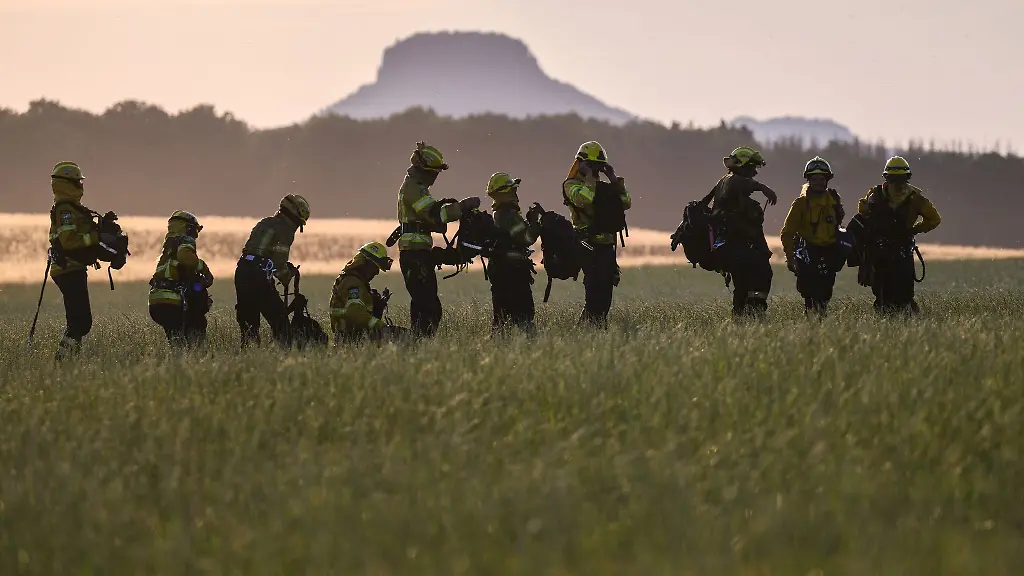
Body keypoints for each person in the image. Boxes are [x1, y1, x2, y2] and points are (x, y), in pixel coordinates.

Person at [855, 156, 941, 314]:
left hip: (901, 250)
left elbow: (935, 219)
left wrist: (914, 230)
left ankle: (905, 321)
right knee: (882, 293)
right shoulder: (875, 195)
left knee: (904, 294)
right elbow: (862, 213)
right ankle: (889, 323)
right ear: (887, 178)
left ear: (907, 178)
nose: (897, 182)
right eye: (893, 178)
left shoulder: (915, 198)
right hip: (880, 252)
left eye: (900, 178)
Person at [395, 141, 464, 337]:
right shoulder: (414, 188)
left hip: (419, 254)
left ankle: (417, 344)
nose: (435, 177)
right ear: (423, 170)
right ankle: (415, 344)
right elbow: (435, 215)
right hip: (414, 255)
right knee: (428, 307)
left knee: (426, 305)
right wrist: (462, 209)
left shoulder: (418, 187)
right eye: (433, 172)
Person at [562, 141, 632, 327]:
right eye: (591, 165)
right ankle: (585, 331)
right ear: (581, 163)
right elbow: (584, 199)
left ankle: (596, 329)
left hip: (607, 246)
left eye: (598, 166)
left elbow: (626, 203)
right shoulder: (571, 185)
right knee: (594, 296)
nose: (596, 170)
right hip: (588, 246)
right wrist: (589, 177)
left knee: (605, 297)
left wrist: (614, 179)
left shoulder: (603, 186)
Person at [709, 146, 779, 318]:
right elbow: (742, 183)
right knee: (761, 275)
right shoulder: (732, 180)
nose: (754, 172)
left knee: (743, 285)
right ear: (741, 166)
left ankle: (741, 318)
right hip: (737, 245)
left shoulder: (723, 182)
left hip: (732, 246)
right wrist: (763, 188)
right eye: (751, 167)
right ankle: (754, 314)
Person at [235, 194, 310, 348]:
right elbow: (279, 262)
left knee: (249, 324)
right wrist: (287, 276)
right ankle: (286, 356)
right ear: (294, 216)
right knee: (280, 322)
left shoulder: (265, 223)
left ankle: (249, 356)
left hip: (242, 272)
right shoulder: (285, 230)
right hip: (259, 277)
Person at [47, 161, 101, 360]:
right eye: (78, 181)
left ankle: (70, 360)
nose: (81, 185)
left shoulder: (69, 207)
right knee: (81, 322)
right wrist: (96, 238)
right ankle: (62, 360)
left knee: (78, 322)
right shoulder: (65, 210)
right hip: (68, 269)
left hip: (73, 268)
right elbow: (69, 242)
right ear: (68, 183)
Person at [780, 157, 846, 316]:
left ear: (827, 180)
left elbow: (839, 225)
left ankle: (819, 320)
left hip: (830, 253)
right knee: (810, 293)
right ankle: (811, 319)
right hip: (808, 253)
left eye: (821, 178)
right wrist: (790, 258)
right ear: (808, 180)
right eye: (814, 179)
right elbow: (787, 233)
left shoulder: (834, 201)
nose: (818, 182)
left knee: (825, 293)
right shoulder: (800, 204)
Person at [148, 211, 215, 348]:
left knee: (177, 344)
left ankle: (177, 364)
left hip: (156, 302)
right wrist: (205, 270)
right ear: (188, 228)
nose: (195, 236)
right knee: (196, 331)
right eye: (195, 231)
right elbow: (185, 256)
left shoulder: (168, 247)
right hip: (174, 301)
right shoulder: (185, 241)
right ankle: (199, 360)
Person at [486, 172, 541, 334]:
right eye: (512, 190)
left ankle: (498, 348)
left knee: (501, 318)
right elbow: (526, 238)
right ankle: (532, 346)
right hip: (514, 272)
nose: (515, 194)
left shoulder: (498, 215)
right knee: (524, 315)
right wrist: (535, 224)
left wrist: (528, 222)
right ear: (504, 193)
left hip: (499, 271)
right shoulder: (509, 215)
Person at [329, 242, 398, 343]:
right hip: (351, 341)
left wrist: (376, 307)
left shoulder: (354, 281)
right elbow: (354, 312)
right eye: (375, 268)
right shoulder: (353, 283)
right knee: (401, 337)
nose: (377, 272)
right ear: (365, 264)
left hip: (351, 337)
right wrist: (381, 326)